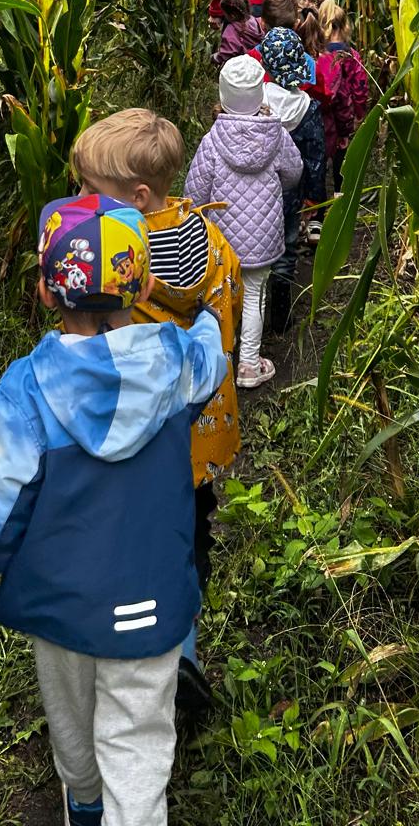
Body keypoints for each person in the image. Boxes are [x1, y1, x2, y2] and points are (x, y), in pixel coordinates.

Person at [0, 194, 226, 826]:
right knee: (138, 740)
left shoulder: (25, 392)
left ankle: (84, 800)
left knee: (71, 721)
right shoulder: (178, 364)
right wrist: (209, 316)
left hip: (61, 605)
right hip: (153, 602)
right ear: (145, 286)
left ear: (47, 292)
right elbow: (213, 359)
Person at [69, 109, 244, 721]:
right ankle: (182, 658)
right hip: (190, 444)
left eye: (91, 188)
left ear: (137, 197)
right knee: (184, 545)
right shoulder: (214, 246)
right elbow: (225, 325)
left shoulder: (107, 256)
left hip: (129, 440)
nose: (81, 198)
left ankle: (123, 654)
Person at [185, 56, 302, 391]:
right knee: (254, 296)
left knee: (223, 294)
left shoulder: (212, 139)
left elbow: (195, 192)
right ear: (259, 95)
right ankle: (249, 364)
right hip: (263, 237)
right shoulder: (277, 135)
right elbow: (294, 173)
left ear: (223, 96)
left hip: (222, 238)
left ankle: (223, 354)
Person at [258, 27, 327, 329]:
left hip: (258, 190)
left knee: (257, 246)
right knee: (286, 247)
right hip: (291, 192)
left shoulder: (255, 102)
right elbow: (315, 157)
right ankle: (281, 317)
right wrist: (314, 197)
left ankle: (253, 311)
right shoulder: (308, 108)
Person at [318, 0, 371, 195]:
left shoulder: (316, 54)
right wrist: (359, 114)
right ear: (345, 26)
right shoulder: (351, 55)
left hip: (322, 117)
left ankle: (318, 201)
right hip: (344, 117)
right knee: (341, 160)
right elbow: (360, 88)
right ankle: (340, 196)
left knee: (319, 160)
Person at [212, 0, 264, 68]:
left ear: (232, 15)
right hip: (257, 64)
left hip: (240, 67)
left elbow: (227, 52)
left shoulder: (231, 30)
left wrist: (215, 58)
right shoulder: (255, 21)